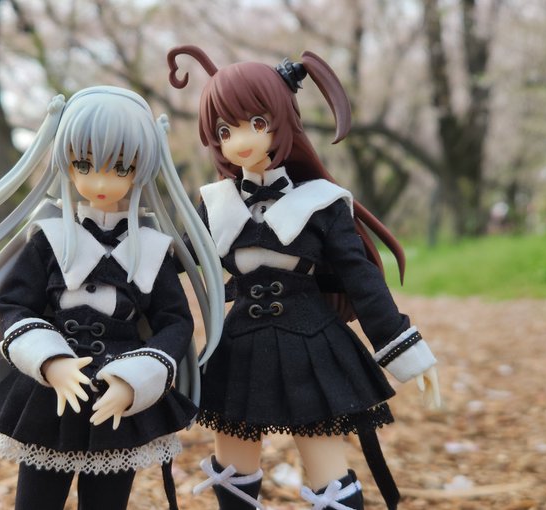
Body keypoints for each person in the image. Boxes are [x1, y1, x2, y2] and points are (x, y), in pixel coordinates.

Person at [0, 86, 224, 510]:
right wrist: (49, 360)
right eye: (83, 164)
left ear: (143, 167)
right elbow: (16, 305)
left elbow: (175, 322)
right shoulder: (50, 239)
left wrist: (137, 378)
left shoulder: (153, 250)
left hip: (118, 399)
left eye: (120, 166)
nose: (99, 181)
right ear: (66, 162)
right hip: (50, 396)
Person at [167, 46, 441, 510]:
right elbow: (174, 260)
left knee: (325, 467)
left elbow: (362, 282)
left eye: (257, 122)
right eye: (225, 130)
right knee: (232, 462)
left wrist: (407, 351)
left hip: (310, 345)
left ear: (282, 120)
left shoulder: (322, 202)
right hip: (239, 347)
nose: (241, 140)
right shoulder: (215, 205)